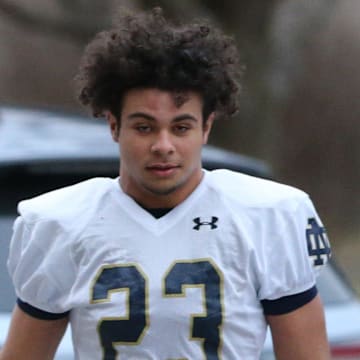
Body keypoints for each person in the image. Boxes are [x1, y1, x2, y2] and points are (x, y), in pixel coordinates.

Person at [0, 7, 331, 360]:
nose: (163, 145)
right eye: (144, 127)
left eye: (181, 127)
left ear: (206, 128)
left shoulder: (269, 214)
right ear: (114, 126)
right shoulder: (60, 222)